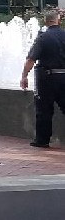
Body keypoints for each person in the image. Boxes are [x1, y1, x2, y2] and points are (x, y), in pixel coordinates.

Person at [20, 9, 65, 147]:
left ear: (46, 22)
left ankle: (42, 140)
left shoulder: (43, 38)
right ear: (58, 20)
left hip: (47, 79)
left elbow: (31, 59)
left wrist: (24, 76)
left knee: (44, 110)